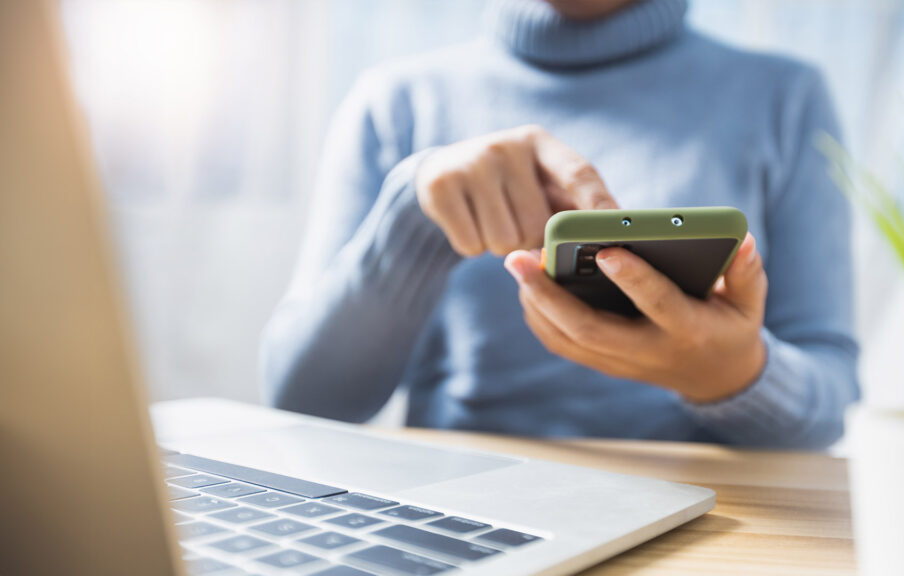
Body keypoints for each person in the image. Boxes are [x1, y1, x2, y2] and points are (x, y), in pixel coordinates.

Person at [260, 0, 859, 448]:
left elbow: (833, 405)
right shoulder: (395, 100)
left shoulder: (785, 95)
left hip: (708, 516)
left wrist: (731, 375)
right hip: (459, 514)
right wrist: (417, 215)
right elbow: (304, 403)